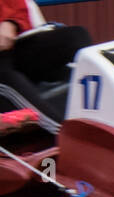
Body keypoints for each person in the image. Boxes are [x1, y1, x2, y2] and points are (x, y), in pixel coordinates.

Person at [0, 0, 91, 129]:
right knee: (7, 76)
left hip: (13, 47)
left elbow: (16, 6)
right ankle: (64, 134)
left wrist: (12, 22)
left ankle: (105, 117)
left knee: (76, 36)